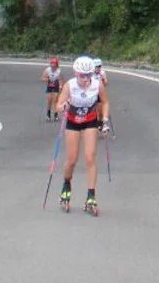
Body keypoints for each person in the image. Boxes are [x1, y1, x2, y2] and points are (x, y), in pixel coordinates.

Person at [56, 56, 112, 215]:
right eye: (82, 75)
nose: (85, 79)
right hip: (73, 121)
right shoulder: (70, 85)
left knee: (89, 157)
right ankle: (66, 186)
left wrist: (105, 120)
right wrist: (64, 105)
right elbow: (58, 105)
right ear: (75, 73)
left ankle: (91, 196)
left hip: (90, 121)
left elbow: (105, 102)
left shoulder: (97, 85)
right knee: (72, 159)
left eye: (88, 75)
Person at [42, 57, 62, 121]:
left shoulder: (59, 71)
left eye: (54, 64)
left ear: (56, 64)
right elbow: (43, 78)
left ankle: (56, 115)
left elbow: (61, 80)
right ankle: (48, 115)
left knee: (55, 100)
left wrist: (61, 86)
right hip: (49, 86)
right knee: (49, 100)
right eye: (52, 64)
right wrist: (47, 79)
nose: (53, 66)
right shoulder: (47, 70)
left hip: (56, 86)